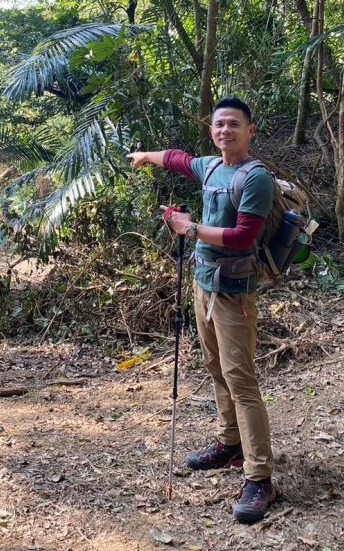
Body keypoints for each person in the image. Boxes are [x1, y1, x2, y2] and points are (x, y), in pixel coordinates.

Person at [128, 96, 277, 524]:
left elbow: (243, 236)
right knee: (215, 367)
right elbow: (178, 159)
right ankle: (230, 444)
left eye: (234, 124)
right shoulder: (211, 167)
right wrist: (146, 157)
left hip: (234, 292)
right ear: (211, 130)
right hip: (203, 284)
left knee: (241, 380)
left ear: (250, 131)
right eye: (219, 124)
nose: (225, 130)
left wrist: (189, 228)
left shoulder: (255, 178)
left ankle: (260, 477)